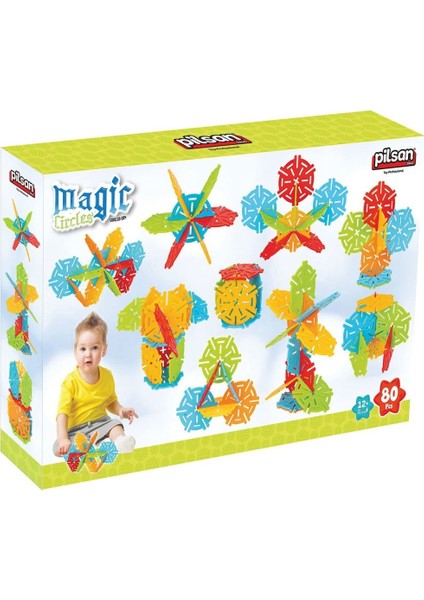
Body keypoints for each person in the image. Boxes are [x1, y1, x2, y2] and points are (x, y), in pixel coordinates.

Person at [54, 312, 138, 457]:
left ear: (104, 350)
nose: (88, 354)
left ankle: (121, 443)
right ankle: (82, 449)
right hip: (76, 430)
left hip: (100, 423)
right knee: (61, 447)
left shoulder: (107, 376)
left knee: (116, 425)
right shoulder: (70, 382)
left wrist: (120, 410)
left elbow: (110, 401)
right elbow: (62, 414)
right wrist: (63, 438)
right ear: (75, 351)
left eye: (94, 348)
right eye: (83, 349)